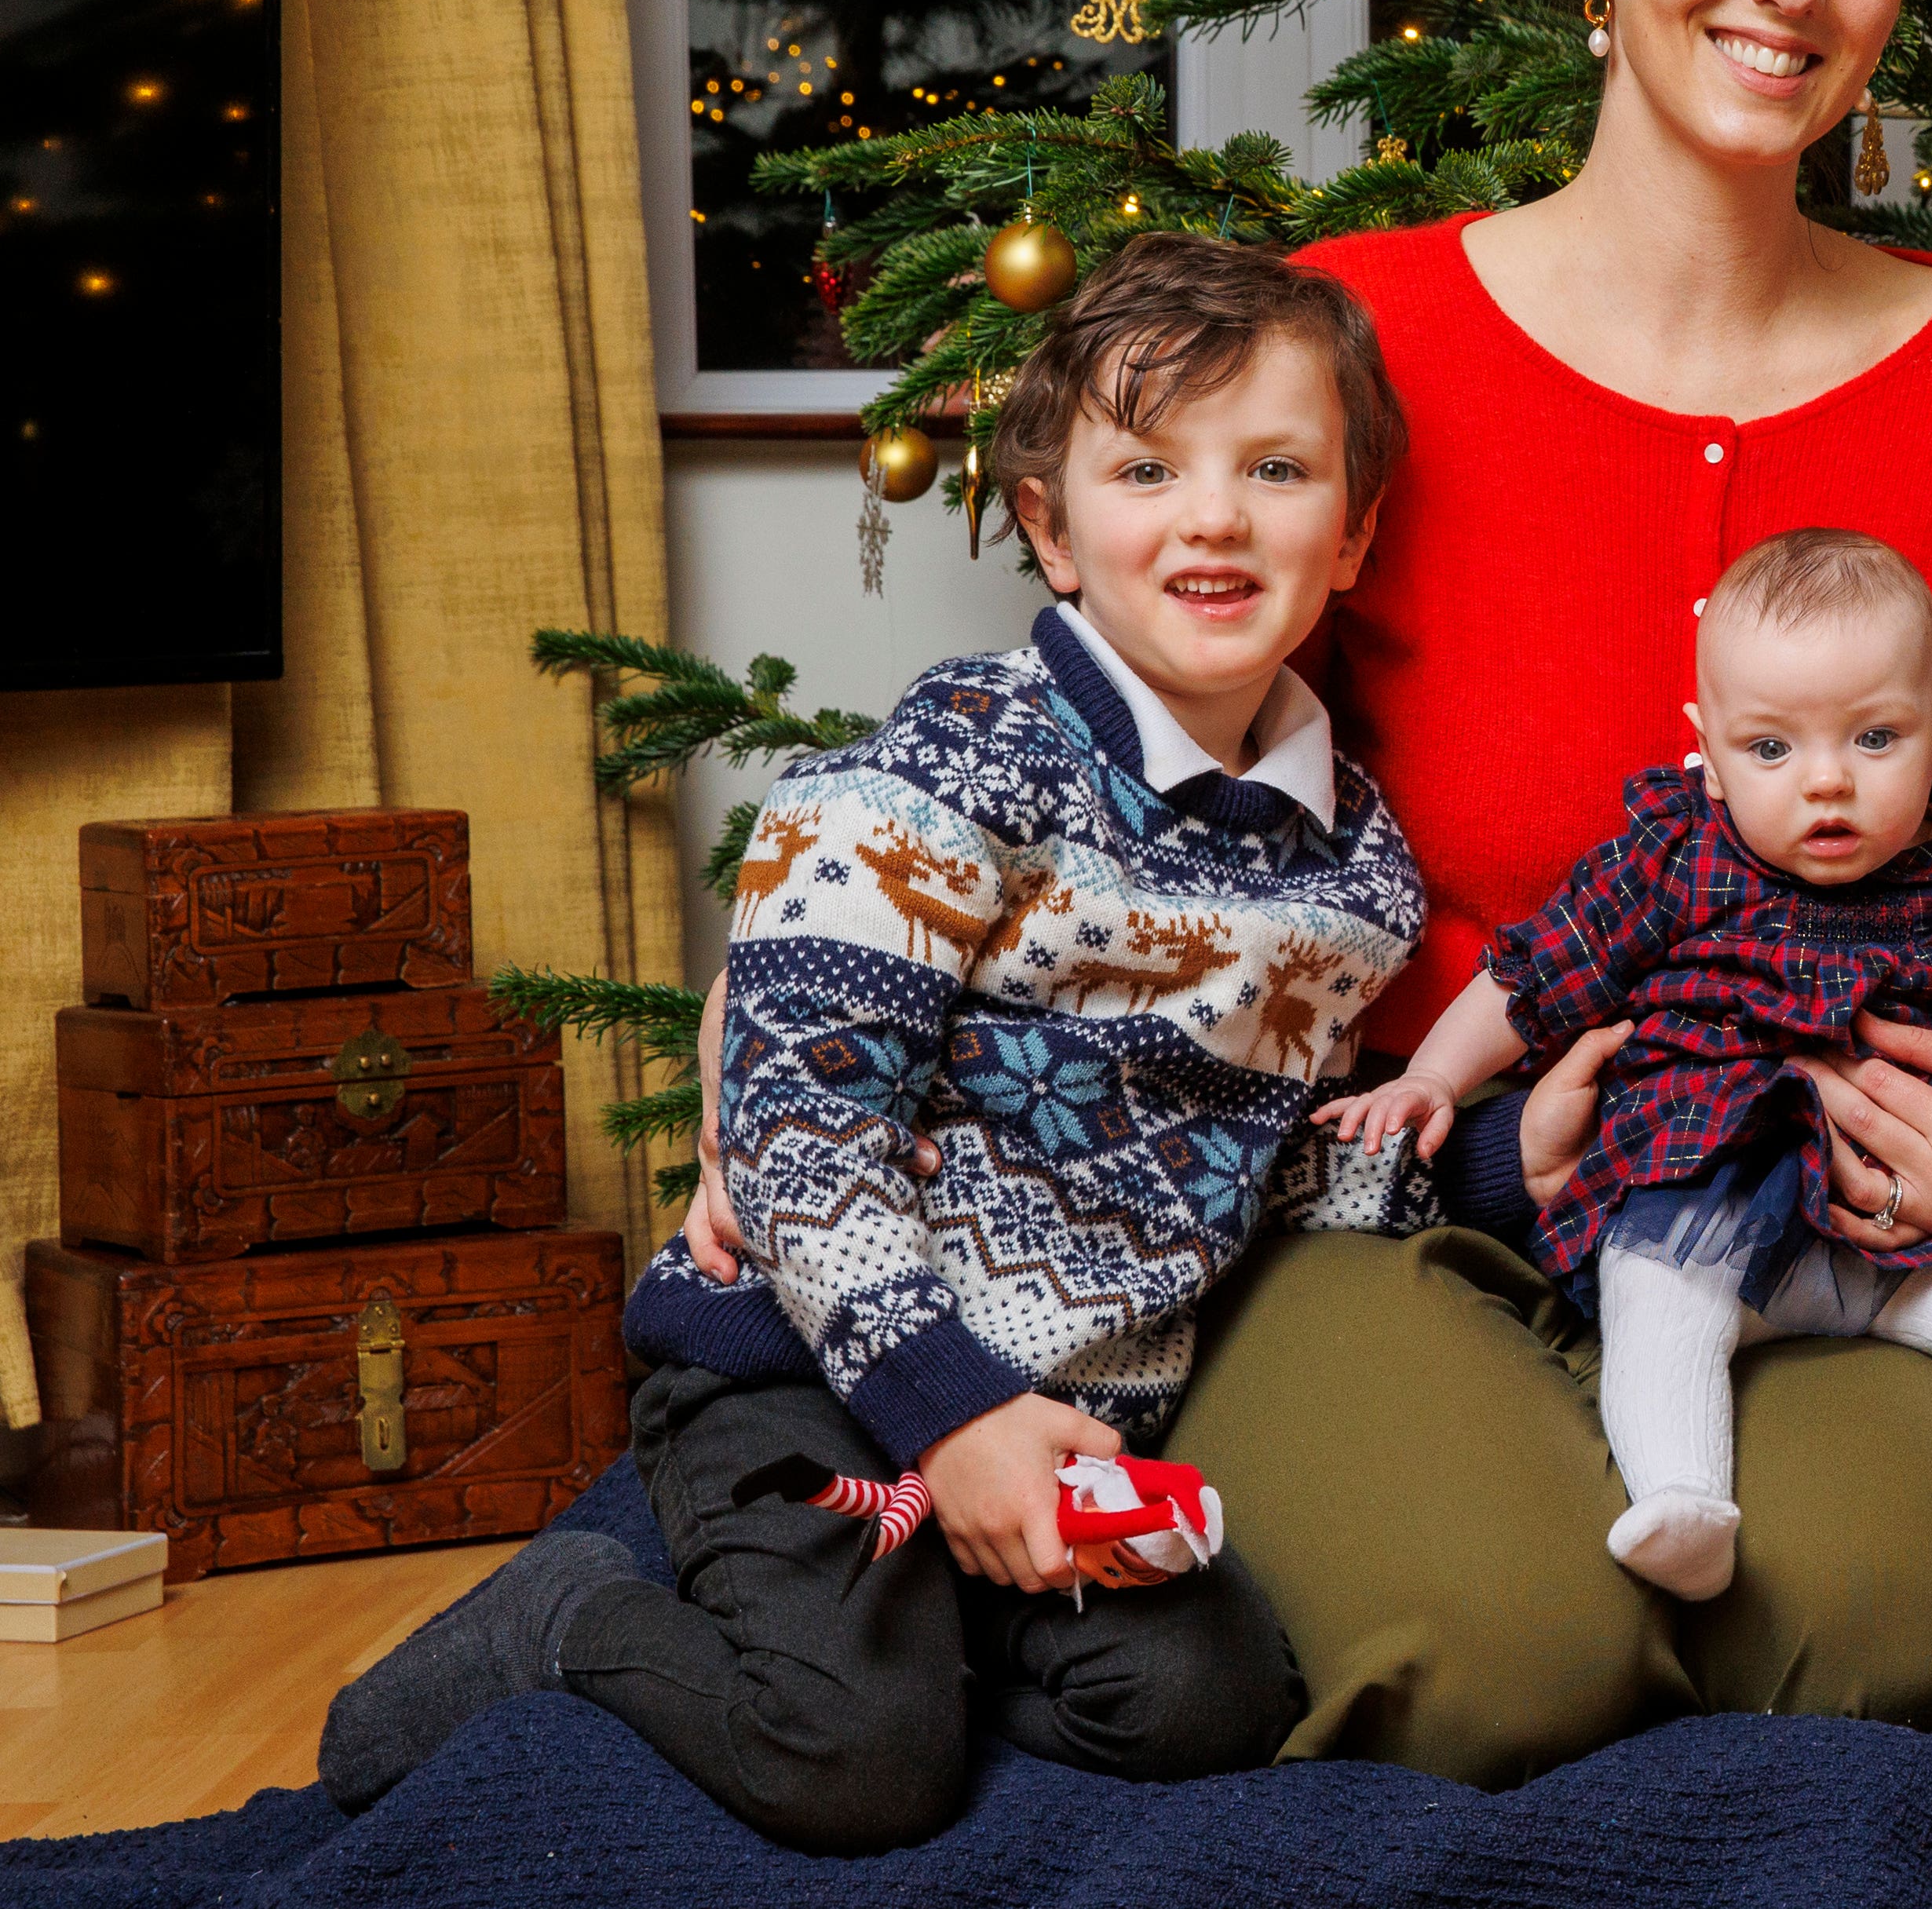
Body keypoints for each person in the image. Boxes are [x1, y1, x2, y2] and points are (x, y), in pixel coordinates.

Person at [1173, 0, 1932, 1783]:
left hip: (1813, 1227)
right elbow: (1118, 790)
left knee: (1888, 1625)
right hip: (1387, 1210)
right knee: (1515, 1658)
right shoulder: (1359, 335)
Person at [321, 234, 1426, 1849]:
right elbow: (790, 1128)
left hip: (1069, 1415)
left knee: (1212, 1707)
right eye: (1145, 469)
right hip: (812, 1374)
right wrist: (951, 1415)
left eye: (1276, 469)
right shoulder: (958, 762)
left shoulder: (1354, 874)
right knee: (851, 1763)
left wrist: (1458, 1156)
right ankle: (564, 1619)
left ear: (1354, 534)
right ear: (1049, 527)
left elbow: (1243, 1168)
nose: (1213, 516)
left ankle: (927, 1623)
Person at [1339, 527, 1932, 1603]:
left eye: (1874, 739)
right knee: (1649, 1286)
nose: (1825, 785)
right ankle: (1682, 1500)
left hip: (1915, 1231)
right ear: (1708, 746)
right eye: (1772, 750)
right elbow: (1533, 975)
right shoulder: (1675, 862)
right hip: (1715, 1204)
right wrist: (1436, 1080)